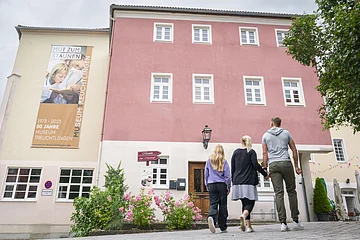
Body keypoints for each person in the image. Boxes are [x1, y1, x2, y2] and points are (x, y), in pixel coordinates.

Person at [262, 117, 304, 232]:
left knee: (278, 193)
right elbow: (294, 150)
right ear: (280, 124)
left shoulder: (265, 136)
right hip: (286, 163)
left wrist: (265, 169)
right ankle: (295, 221)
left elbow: (265, 153)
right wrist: (296, 166)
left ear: (271, 123)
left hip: (274, 165)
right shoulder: (286, 133)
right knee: (291, 191)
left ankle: (283, 223)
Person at [231, 135, 269, 233]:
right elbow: (255, 165)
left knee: (244, 203)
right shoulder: (251, 152)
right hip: (248, 181)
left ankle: (248, 227)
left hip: (237, 181)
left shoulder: (235, 152)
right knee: (251, 202)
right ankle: (244, 216)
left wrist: (233, 180)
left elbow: (233, 168)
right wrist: (265, 174)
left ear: (241, 142)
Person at [204, 144, 231, 234]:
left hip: (211, 184)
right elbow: (227, 176)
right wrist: (228, 186)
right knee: (223, 205)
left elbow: (206, 174)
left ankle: (211, 217)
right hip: (222, 184)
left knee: (213, 203)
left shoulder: (209, 161)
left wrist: (206, 184)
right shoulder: (224, 162)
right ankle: (222, 226)